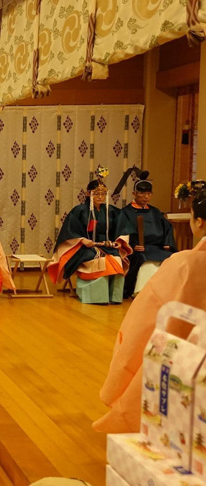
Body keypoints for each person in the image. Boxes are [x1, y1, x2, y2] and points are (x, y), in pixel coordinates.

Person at [94, 182, 206, 433]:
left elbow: (149, 314)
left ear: (198, 222)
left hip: (194, 353)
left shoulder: (185, 264)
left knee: (146, 336)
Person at [48, 173, 132, 304]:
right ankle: (97, 296)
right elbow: (69, 232)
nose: (100, 197)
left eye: (103, 194)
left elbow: (123, 229)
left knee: (116, 259)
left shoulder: (112, 211)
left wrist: (118, 242)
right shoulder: (79, 211)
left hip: (107, 246)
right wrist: (82, 240)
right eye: (96, 194)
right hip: (83, 248)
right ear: (88, 194)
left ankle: (114, 297)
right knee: (101, 260)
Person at [115, 174, 177, 298]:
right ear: (134, 193)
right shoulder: (125, 212)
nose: (146, 197)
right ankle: (142, 292)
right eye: (142, 194)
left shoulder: (155, 211)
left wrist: (168, 243)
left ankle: (167, 293)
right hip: (138, 249)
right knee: (143, 258)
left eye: (149, 194)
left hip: (158, 247)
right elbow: (122, 232)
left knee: (172, 258)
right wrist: (133, 245)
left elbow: (167, 228)